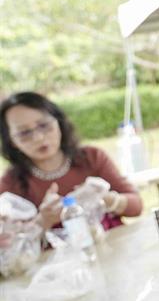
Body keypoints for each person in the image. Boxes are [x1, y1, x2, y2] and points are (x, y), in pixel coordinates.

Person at [0, 92, 143, 231]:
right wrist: (42, 222)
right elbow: (7, 243)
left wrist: (109, 200)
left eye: (44, 125)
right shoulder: (10, 184)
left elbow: (136, 206)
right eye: (24, 133)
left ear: (58, 122)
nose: (38, 137)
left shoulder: (91, 157)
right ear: (11, 141)